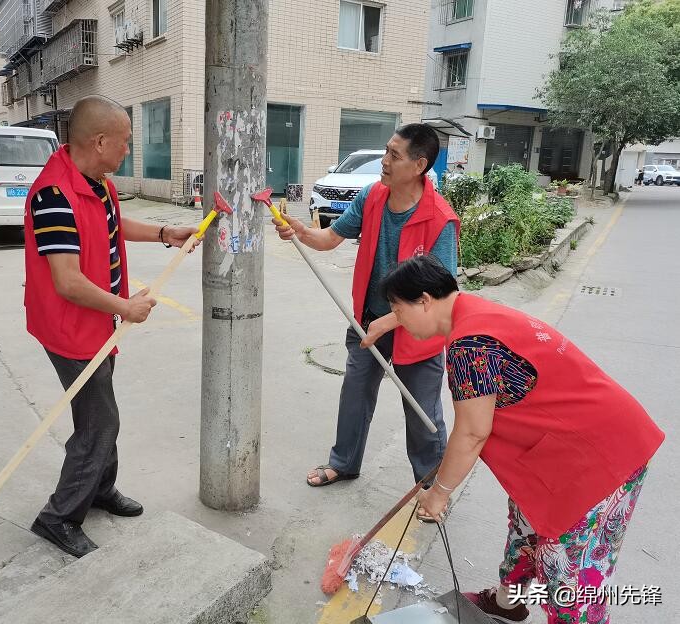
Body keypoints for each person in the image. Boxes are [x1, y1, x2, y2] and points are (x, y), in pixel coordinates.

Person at [380, 255, 664, 624]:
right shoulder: (475, 312)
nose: (399, 320)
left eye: (397, 310)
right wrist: (385, 322)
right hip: (575, 442)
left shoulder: (469, 346)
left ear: (424, 300)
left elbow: (472, 431)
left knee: (568, 572)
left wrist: (440, 493)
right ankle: (506, 602)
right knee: (526, 524)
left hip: (598, 456)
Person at [24, 95, 200, 557]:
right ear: (100, 141)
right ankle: (59, 517)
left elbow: (113, 226)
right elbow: (66, 281)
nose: (128, 149)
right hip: (70, 327)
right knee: (100, 422)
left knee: (98, 413)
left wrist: (164, 234)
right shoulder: (54, 196)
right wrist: (125, 306)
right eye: (124, 141)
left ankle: (100, 488)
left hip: (98, 321)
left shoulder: (97, 182)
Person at [275, 124, 459, 521]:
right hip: (368, 321)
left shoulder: (439, 219)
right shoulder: (372, 196)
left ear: (419, 165)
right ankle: (344, 463)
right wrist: (300, 231)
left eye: (394, 155)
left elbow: (442, 297)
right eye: (386, 151)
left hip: (418, 333)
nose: (384, 161)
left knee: (422, 412)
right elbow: (330, 239)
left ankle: (432, 489)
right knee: (355, 394)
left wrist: (391, 321)